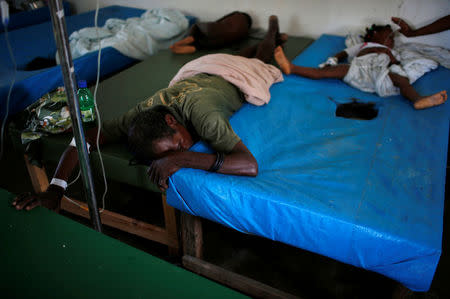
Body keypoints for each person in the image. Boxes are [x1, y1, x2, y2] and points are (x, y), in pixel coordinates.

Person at [12, 15, 285, 212]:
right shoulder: (139, 117)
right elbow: (84, 138)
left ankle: (271, 33)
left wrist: (183, 157)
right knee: (242, 53)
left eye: (177, 143)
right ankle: (261, 42)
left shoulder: (205, 116)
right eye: (171, 152)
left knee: (260, 58)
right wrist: (56, 188)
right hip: (205, 70)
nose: (181, 148)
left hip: (226, 76)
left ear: (171, 120)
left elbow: (250, 166)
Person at [274, 24, 447, 110]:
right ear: (374, 34)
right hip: (358, 69)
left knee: (401, 80)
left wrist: (393, 60)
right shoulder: (364, 46)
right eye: (388, 36)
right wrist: (333, 60)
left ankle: (417, 99)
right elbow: (344, 53)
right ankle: (292, 67)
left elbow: (396, 63)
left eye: (392, 39)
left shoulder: (390, 50)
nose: (391, 40)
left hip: (381, 72)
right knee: (328, 72)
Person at [170, 11, 252, 54]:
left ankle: (188, 39)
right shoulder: (245, 32)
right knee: (204, 45)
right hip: (224, 39)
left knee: (197, 28)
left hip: (215, 28)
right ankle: (192, 47)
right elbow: (238, 42)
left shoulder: (238, 14)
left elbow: (221, 19)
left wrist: (216, 24)